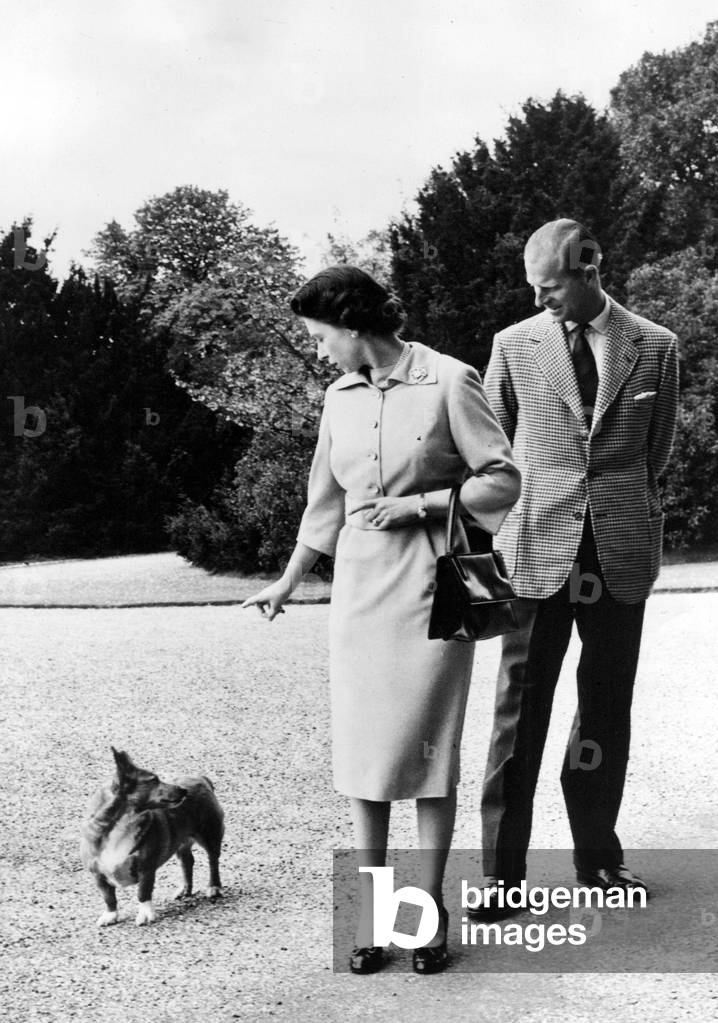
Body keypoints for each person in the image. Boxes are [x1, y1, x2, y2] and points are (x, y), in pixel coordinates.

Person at [241, 266, 520, 973]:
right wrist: (287, 580)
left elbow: (502, 477)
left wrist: (421, 505)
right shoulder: (337, 398)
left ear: (352, 326)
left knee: (428, 759)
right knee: (364, 762)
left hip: (431, 590)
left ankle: (426, 917)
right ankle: (371, 916)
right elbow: (324, 503)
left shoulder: (449, 380)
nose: (318, 350)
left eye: (320, 336)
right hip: (359, 596)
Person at [469, 219, 679, 915]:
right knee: (518, 711)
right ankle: (501, 876)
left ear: (589, 270)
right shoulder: (513, 345)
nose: (539, 299)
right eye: (533, 288)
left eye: (550, 286)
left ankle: (598, 860)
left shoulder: (655, 345)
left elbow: (655, 453)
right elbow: (492, 454)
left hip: (619, 550)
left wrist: (616, 505)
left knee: (605, 709)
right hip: (535, 547)